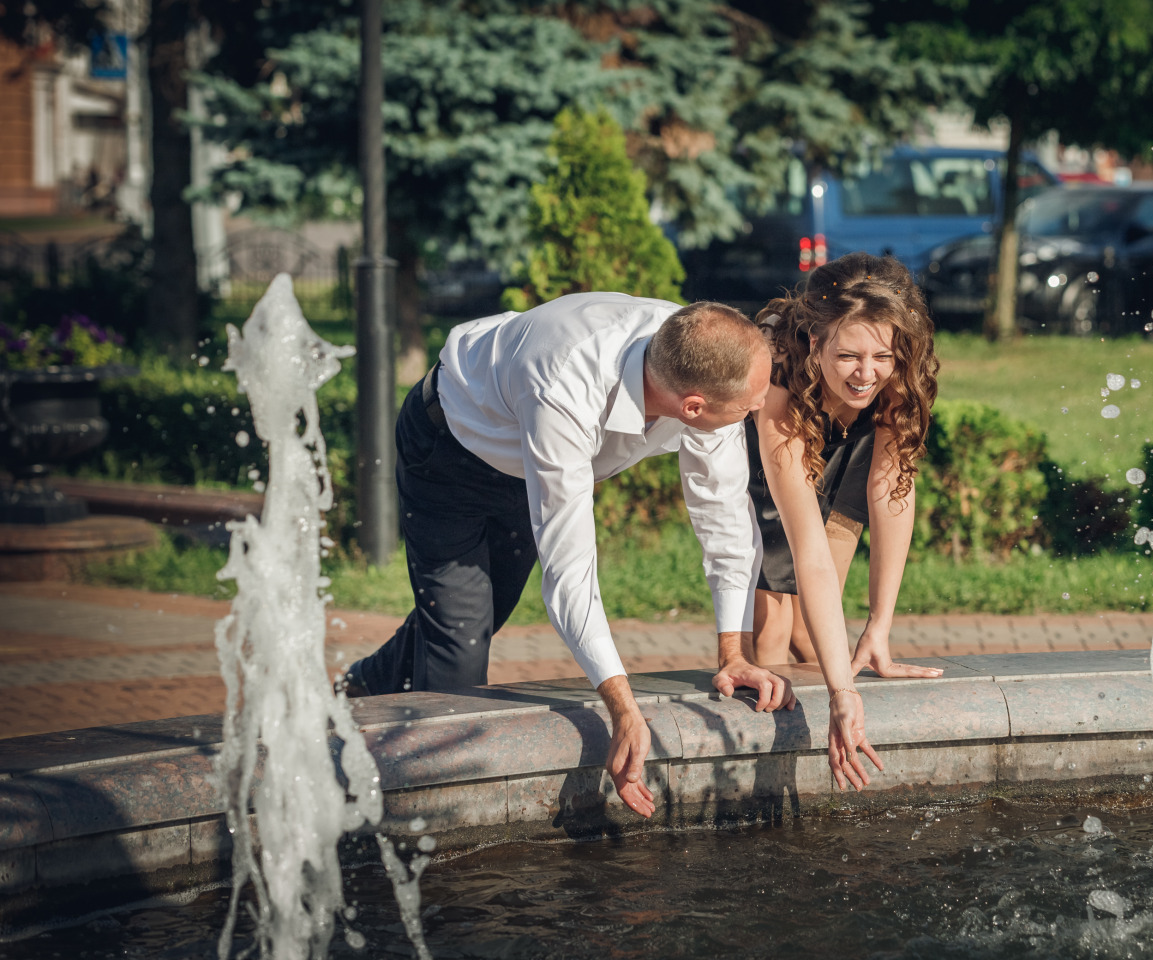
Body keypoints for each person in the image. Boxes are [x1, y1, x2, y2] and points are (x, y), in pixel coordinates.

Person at [343, 295, 857, 817]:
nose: (758, 408)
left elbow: (723, 515)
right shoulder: (565, 385)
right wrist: (623, 708)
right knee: (459, 642)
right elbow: (569, 575)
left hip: (523, 461)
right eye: (749, 407)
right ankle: (424, 818)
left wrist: (735, 653)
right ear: (693, 406)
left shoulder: (702, 355)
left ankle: (364, 681)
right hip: (450, 451)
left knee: (487, 609)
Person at [744, 254, 944, 782]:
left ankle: (840, 716)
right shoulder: (776, 372)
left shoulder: (893, 368)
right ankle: (768, 773)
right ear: (815, 344)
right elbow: (804, 548)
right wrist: (840, 691)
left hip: (848, 444)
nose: (867, 373)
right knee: (773, 622)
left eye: (882, 356)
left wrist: (880, 624)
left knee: (821, 616)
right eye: (849, 356)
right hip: (778, 444)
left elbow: (891, 495)